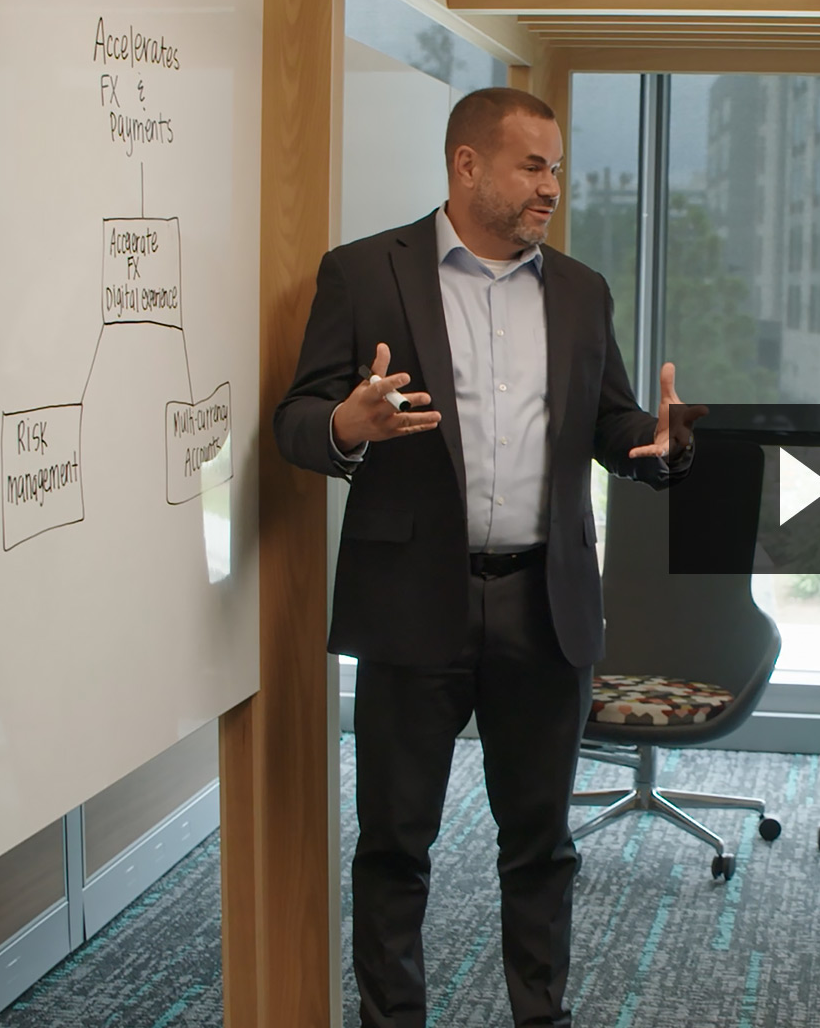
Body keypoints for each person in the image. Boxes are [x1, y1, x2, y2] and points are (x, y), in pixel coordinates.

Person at [273, 87, 706, 1028]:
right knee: (394, 846)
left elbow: (610, 422)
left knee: (541, 847)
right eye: (533, 166)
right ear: (467, 165)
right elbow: (295, 420)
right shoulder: (365, 272)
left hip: (543, 604)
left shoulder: (582, 290)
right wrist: (346, 425)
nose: (551, 187)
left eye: (558, 168)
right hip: (411, 600)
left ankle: (539, 1016)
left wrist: (657, 444)